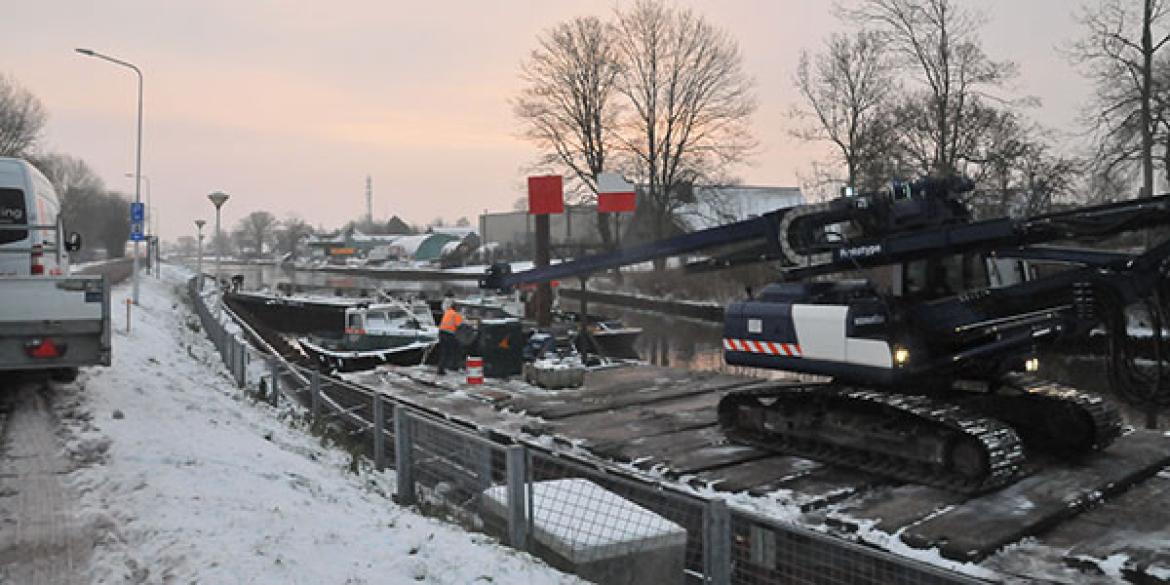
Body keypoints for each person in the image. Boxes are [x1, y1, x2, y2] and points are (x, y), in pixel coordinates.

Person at [437, 301, 464, 375]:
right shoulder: (456, 314)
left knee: (444, 351)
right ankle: (453, 366)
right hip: (449, 334)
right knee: (453, 351)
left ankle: (441, 368)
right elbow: (460, 324)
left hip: (441, 332)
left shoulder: (447, 312)